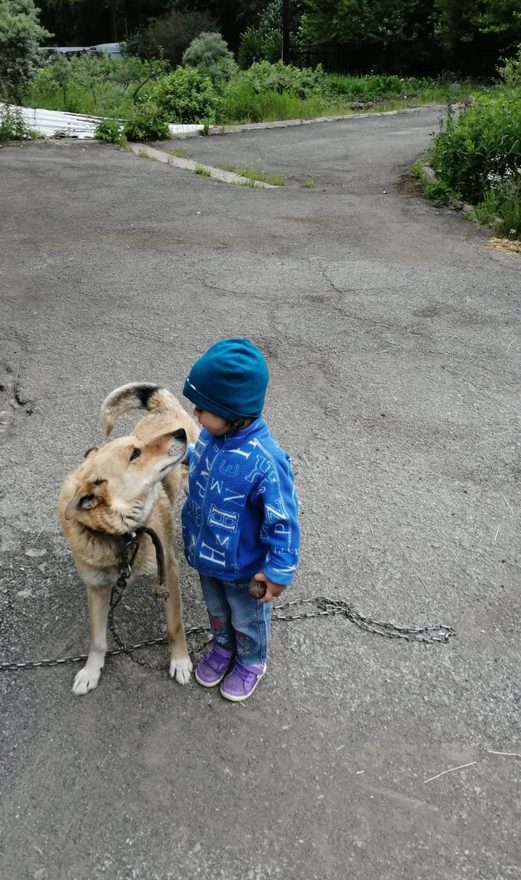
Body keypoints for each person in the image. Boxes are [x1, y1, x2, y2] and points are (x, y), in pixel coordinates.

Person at [182, 337, 300, 701]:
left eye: (202, 409)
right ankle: (222, 647)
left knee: (246, 618)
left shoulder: (266, 460)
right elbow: (203, 460)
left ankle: (251, 659)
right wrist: (181, 456)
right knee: (217, 611)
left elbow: (284, 520)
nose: (195, 416)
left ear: (234, 413)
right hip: (207, 554)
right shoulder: (212, 437)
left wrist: (279, 570)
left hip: (244, 567)